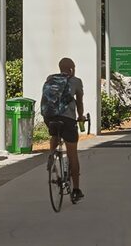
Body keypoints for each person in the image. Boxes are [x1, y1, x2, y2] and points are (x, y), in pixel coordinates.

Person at [41, 57, 85, 203]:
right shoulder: (76, 81)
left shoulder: (50, 79)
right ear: (72, 68)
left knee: (54, 133)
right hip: (68, 120)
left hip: (50, 117)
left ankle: (52, 154)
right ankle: (76, 189)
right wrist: (81, 116)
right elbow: (79, 102)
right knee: (72, 153)